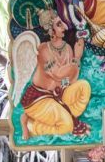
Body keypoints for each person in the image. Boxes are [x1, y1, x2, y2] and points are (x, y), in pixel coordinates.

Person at [20, 9, 91, 139]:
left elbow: (70, 79)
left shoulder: (68, 48)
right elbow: (57, 74)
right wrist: (77, 58)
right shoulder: (43, 49)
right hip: (39, 99)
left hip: (59, 94)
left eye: (63, 23)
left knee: (84, 86)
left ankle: (62, 114)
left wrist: (75, 60)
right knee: (67, 126)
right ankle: (31, 125)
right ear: (50, 29)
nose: (64, 27)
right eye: (59, 24)